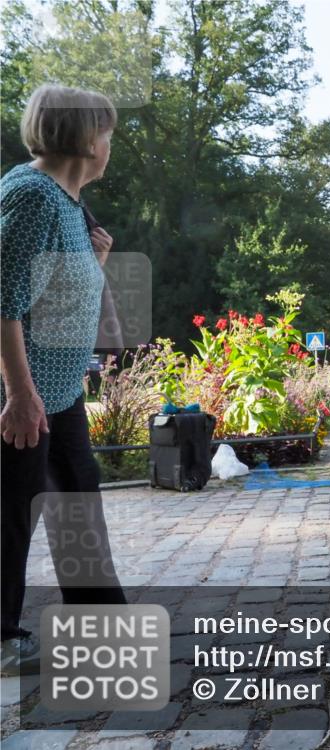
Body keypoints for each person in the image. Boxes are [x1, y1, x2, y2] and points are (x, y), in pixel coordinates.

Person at [1, 84, 126, 676]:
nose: (110, 146)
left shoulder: (70, 205)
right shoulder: (31, 196)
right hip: (23, 394)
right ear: (85, 138)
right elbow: (2, 300)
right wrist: (18, 394)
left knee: (77, 499)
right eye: (107, 133)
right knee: (11, 516)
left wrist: (96, 261)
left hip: (60, 390)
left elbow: (53, 295)